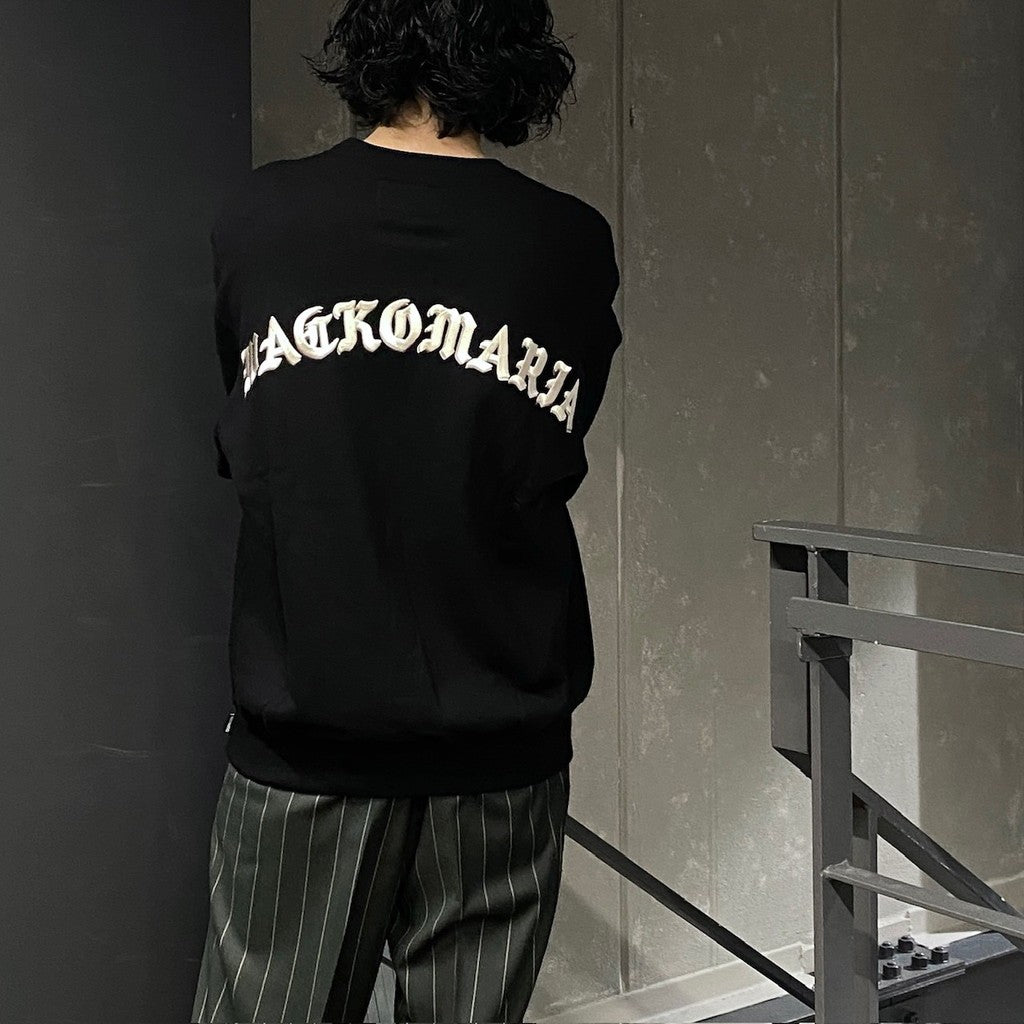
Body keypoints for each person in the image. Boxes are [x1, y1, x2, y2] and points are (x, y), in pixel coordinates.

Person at [191, 1, 622, 1021]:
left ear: (371, 43)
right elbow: (544, 455)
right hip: (497, 746)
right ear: (519, 58)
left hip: (307, 736)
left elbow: (252, 443)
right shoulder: (566, 242)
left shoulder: (261, 218)